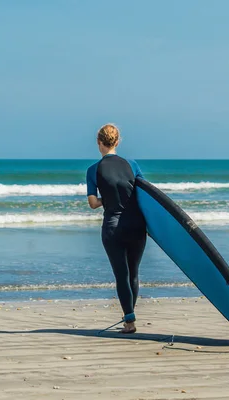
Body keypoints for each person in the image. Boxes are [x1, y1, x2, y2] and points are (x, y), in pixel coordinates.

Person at [86, 123, 147, 334]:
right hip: (137, 226)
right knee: (134, 274)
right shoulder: (133, 165)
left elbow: (93, 203)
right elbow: (146, 196)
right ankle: (129, 315)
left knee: (121, 274)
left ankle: (129, 320)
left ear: (99, 143)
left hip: (113, 228)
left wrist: (108, 199)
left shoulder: (93, 170)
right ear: (118, 141)